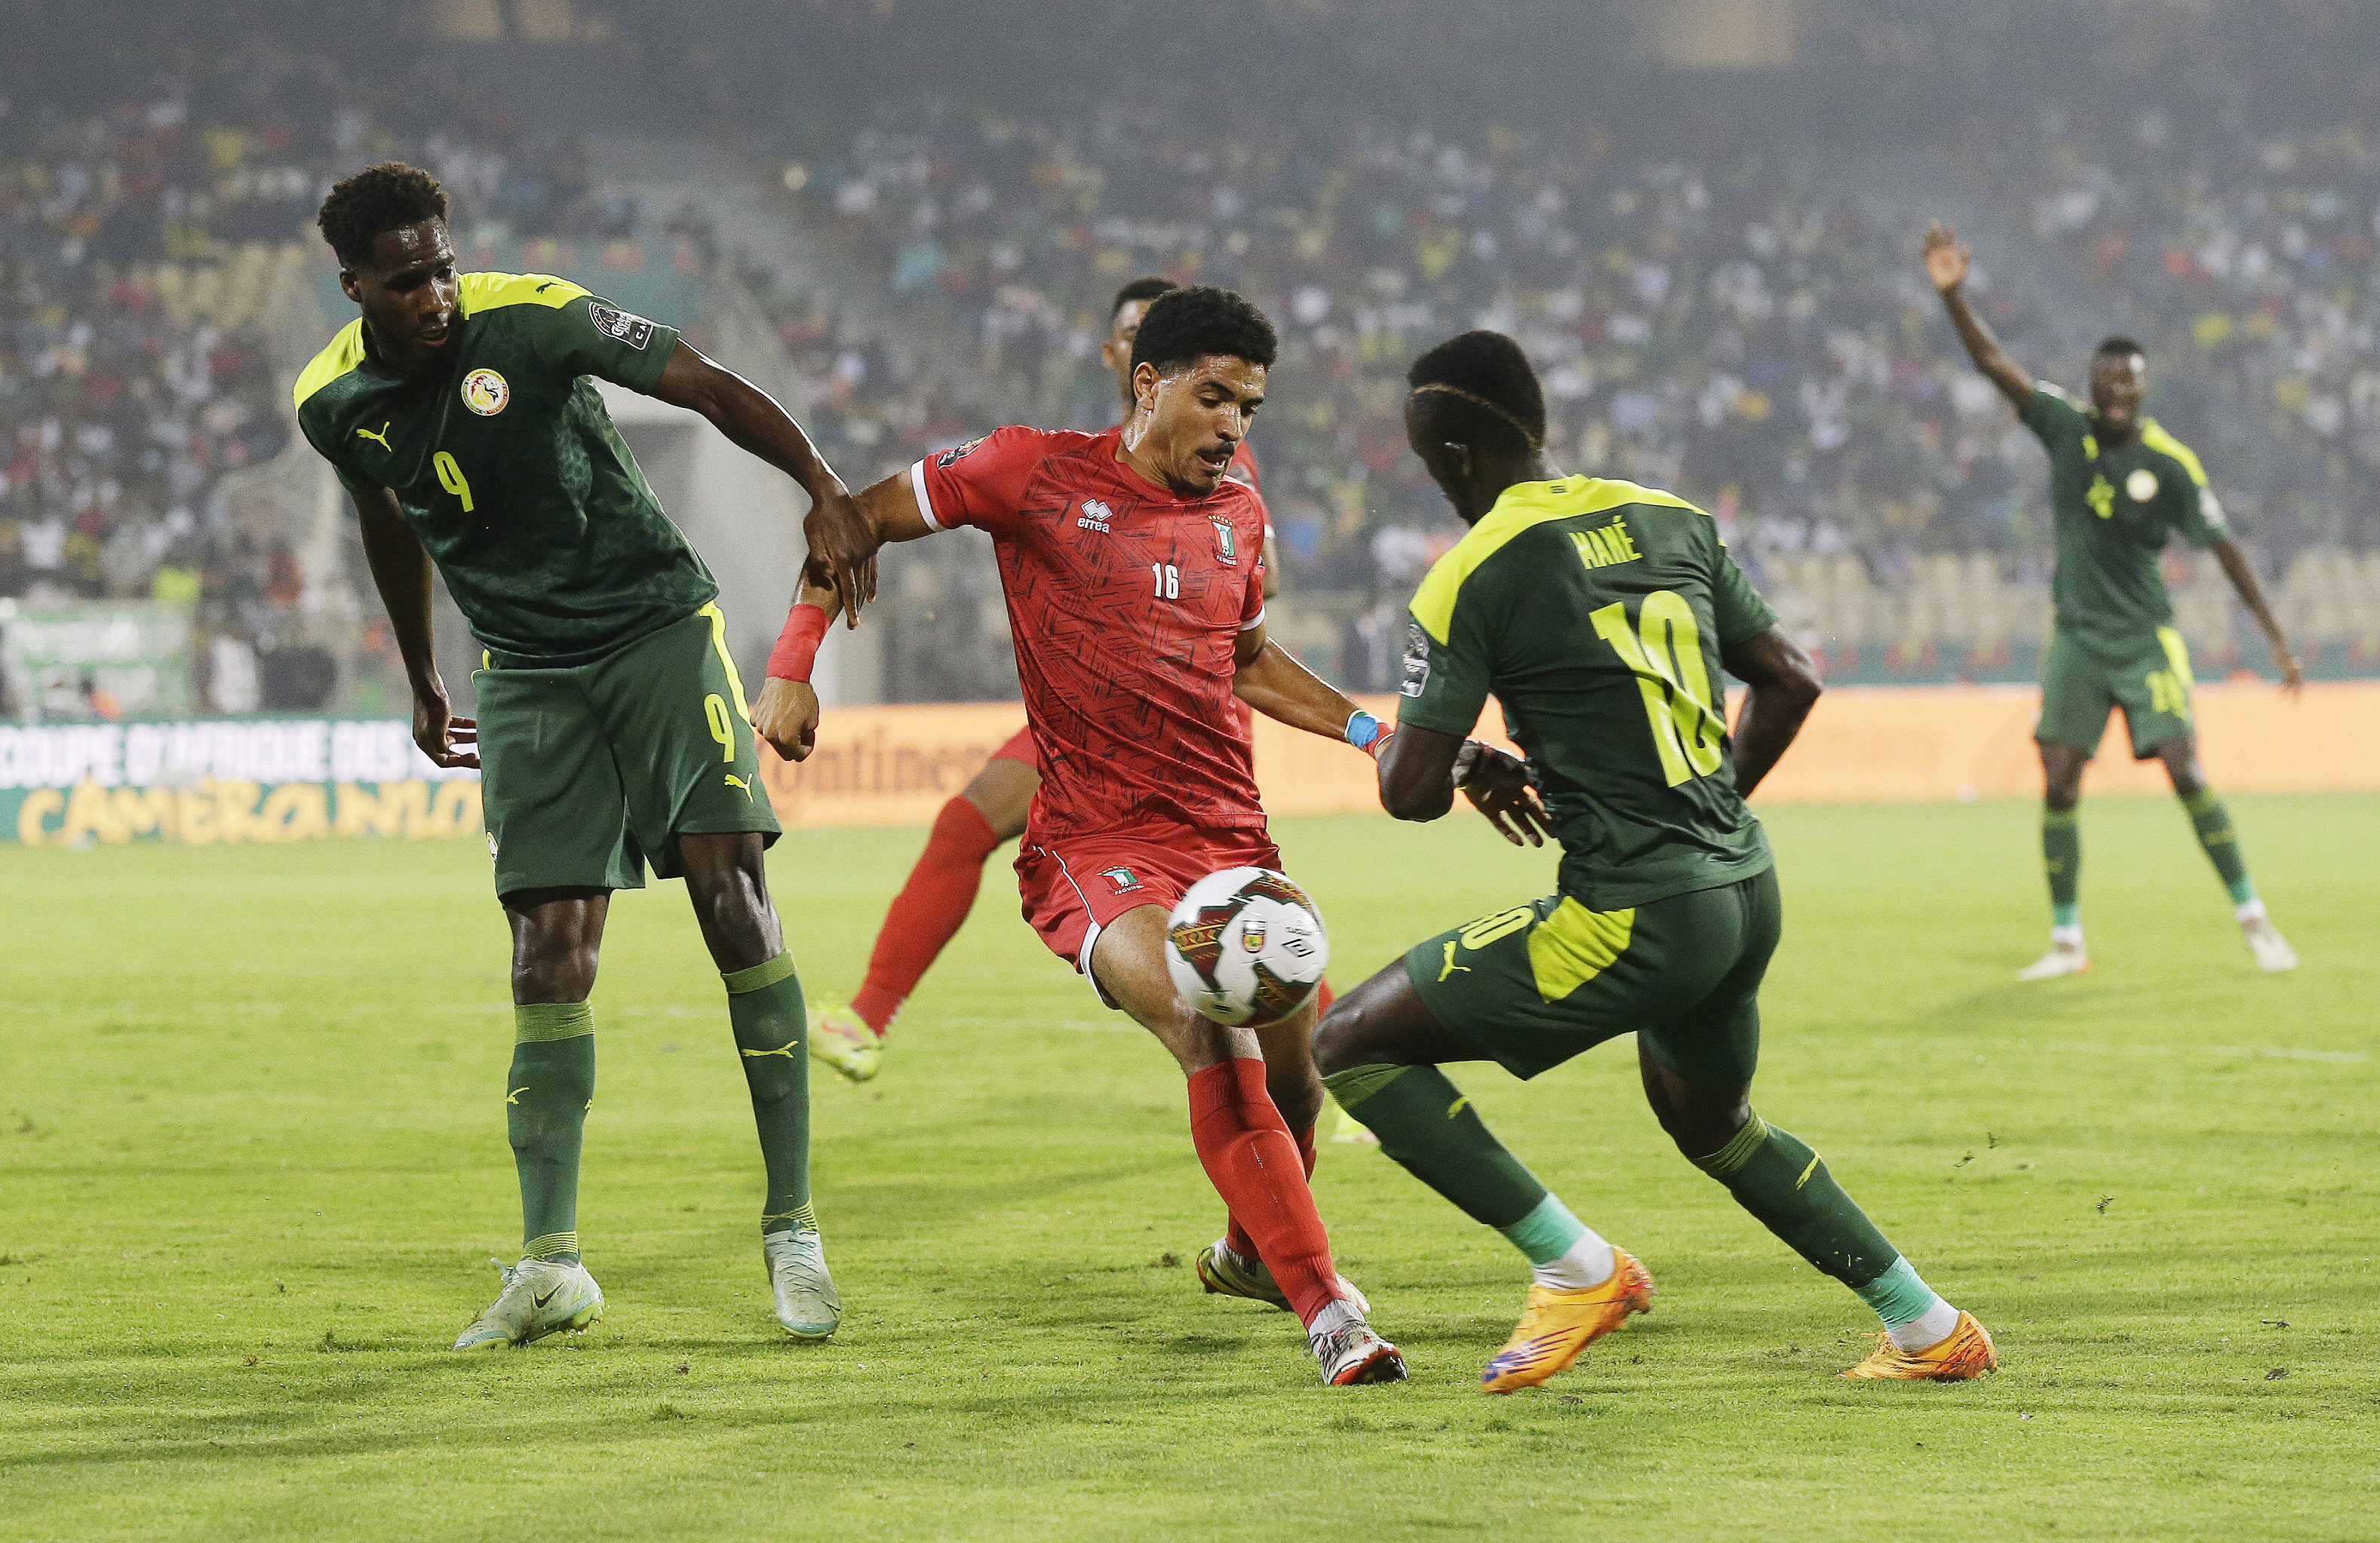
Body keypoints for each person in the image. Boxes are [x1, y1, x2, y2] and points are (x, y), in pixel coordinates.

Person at [755, 287, 1543, 1385]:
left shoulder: (1240, 516)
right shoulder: (1031, 471)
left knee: (1297, 1067)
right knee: (1199, 1014)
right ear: (1147, 384)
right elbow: (850, 521)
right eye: (1214, 397)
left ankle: (1249, 1250)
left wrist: (1384, 737)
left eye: (1251, 408)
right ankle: (1328, 1306)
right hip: (1092, 839)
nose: (1232, 426)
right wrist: (792, 665)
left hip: (1228, 833)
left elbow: (1250, 658)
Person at [1312, 330, 1998, 1391]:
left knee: (1351, 1041)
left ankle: (1574, 1265)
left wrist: (1455, 754)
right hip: (1741, 884)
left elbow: (1407, 790)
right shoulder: (1669, 517)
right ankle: (1927, 1323)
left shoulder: (1468, 576)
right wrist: (1703, 808)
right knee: (1713, 1124)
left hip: (1635, 910)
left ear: (1448, 456)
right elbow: (1790, 679)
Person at [294, 162, 867, 1349]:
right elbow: (385, 520)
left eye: (443, 266)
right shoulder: (333, 402)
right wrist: (420, 673)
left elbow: (702, 381)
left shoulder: (536, 315)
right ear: (354, 286)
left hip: (654, 629)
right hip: (525, 669)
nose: (438, 294)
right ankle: (552, 1264)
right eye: (408, 282)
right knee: (547, 953)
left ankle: (792, 1230)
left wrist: (822, 486)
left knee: (733, 900)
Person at [805, 276, 1276, 1083]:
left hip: (1177, 719)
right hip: (1082, 712)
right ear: (1120, 360)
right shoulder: (1080, 459)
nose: (1136, 343)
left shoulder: (1218, 456)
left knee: (1239, 925)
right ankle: (867, 1015)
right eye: (1127, 332)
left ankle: (1341, 1064)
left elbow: (1235, 605)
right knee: (967, 824)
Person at [1924, 222, 2302, 980]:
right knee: (2060, 781)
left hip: (2144, 637)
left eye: (2131, 379)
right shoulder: (2065, 428)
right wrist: (1956, 298)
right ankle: (2067, 940)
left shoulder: (2170, 465)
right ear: (2094, 384)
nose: (2119, 389)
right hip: (2077, 639)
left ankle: (2254, 918)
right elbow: (1995, 364)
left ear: (2144, 386)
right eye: (2109, 378)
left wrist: (2275, 637)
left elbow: (2225, 550)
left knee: (2186, 772)